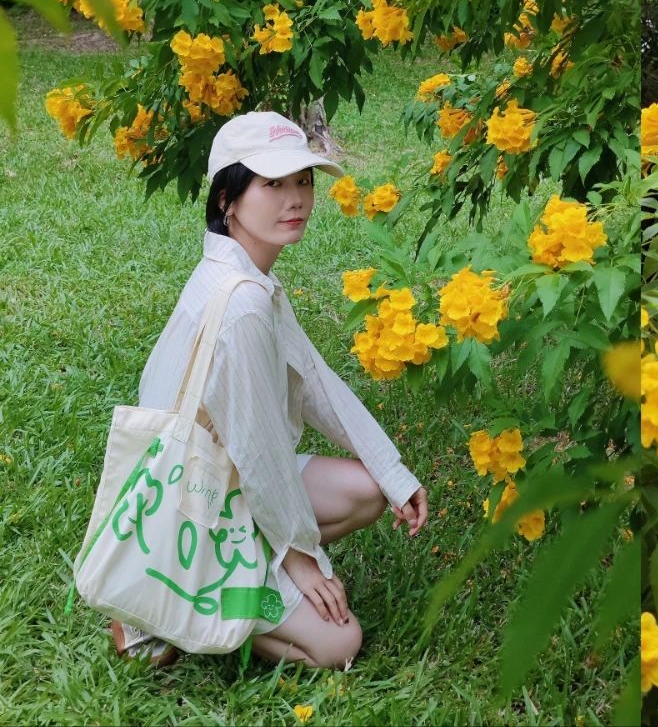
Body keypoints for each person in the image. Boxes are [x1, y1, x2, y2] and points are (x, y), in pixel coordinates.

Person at [109, 111, 428, 672]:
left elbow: (312, 381)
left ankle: (248, 570)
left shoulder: (245, 273)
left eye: (302, 181)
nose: (296, 199)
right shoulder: (242, 303)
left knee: (369, 489)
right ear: (228, 198)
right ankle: (164, 607)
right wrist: (302, 559)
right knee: (338, 645)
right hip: (192, 504)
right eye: (272, 184)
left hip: (223, 482)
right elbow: (259, 454)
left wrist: (392, 470)